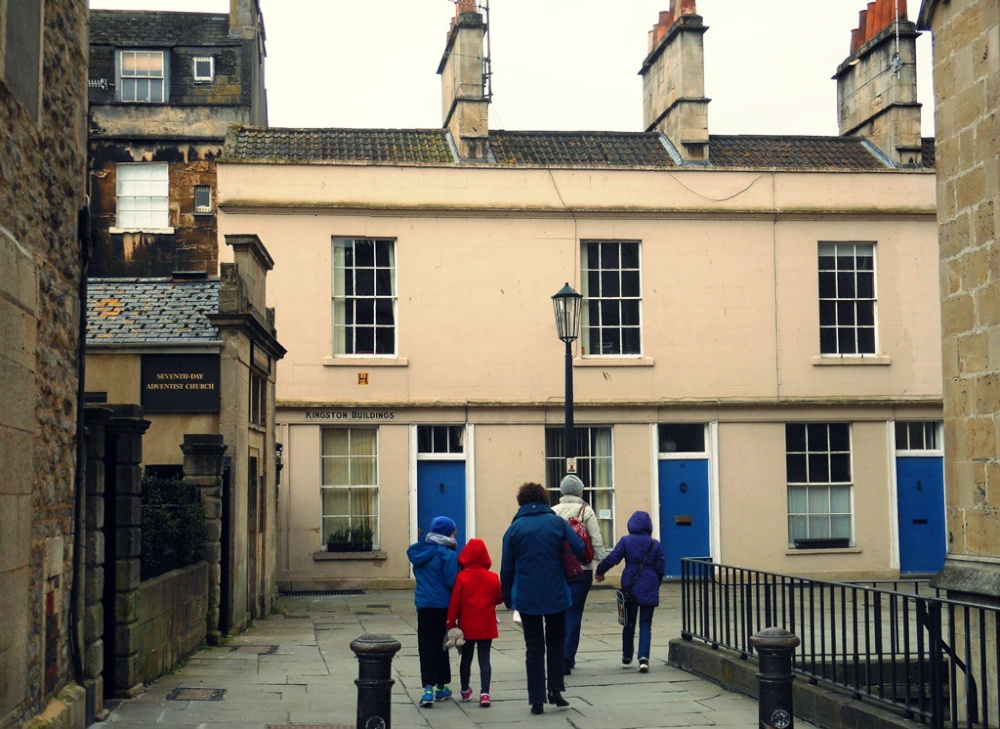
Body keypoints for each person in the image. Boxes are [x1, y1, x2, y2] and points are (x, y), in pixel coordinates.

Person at [500, 482, 585, 715]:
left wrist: (507, 598)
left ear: (522, 502)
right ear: (545, 499)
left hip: (527, 596)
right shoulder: (556, 523)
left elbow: (506, 568)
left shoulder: (514, 529)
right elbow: (579, 547)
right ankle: (556, 690)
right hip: (556, 593)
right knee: (556, 641)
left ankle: (536, 699)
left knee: (534, 647)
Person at [594, 510, 666, 673]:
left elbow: (613, 558)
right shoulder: (655, 544)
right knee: (646, 624)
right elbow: (661, 567)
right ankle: (644, 658)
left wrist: (600, 571)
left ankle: (627, 657)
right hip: (649, 585)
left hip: (629, 587)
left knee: (628, 623)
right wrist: (656, 583)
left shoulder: (626, 541)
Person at [552, 474, 608, 676]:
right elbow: (596, 539)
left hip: (558, 570)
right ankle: (568, 656)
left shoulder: (552, 513)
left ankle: (558, 655)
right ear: (580, 492)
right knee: (574, 613)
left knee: (559, 614)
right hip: (582, 570)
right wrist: (601, 566)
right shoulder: (586, 510)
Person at [407, 515, 460, 707]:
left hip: (424, 605)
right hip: (443, 606)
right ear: (447, 533)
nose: (455, 534)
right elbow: (451, 582)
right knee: (442, 646)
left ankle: (427, 689)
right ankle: (441, 686)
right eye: (454, 531)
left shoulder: (419, 552)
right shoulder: (448, 554)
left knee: (426, 646)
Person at [446, 538, 503, 708]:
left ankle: (464, 690)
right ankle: (485, 693)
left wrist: (450, 622)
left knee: (466, 659)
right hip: (486, 624)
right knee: (484, 659)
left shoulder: (462, 577)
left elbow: (455, 602)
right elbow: (499, 598)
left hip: (467, 626)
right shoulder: (493, 577)